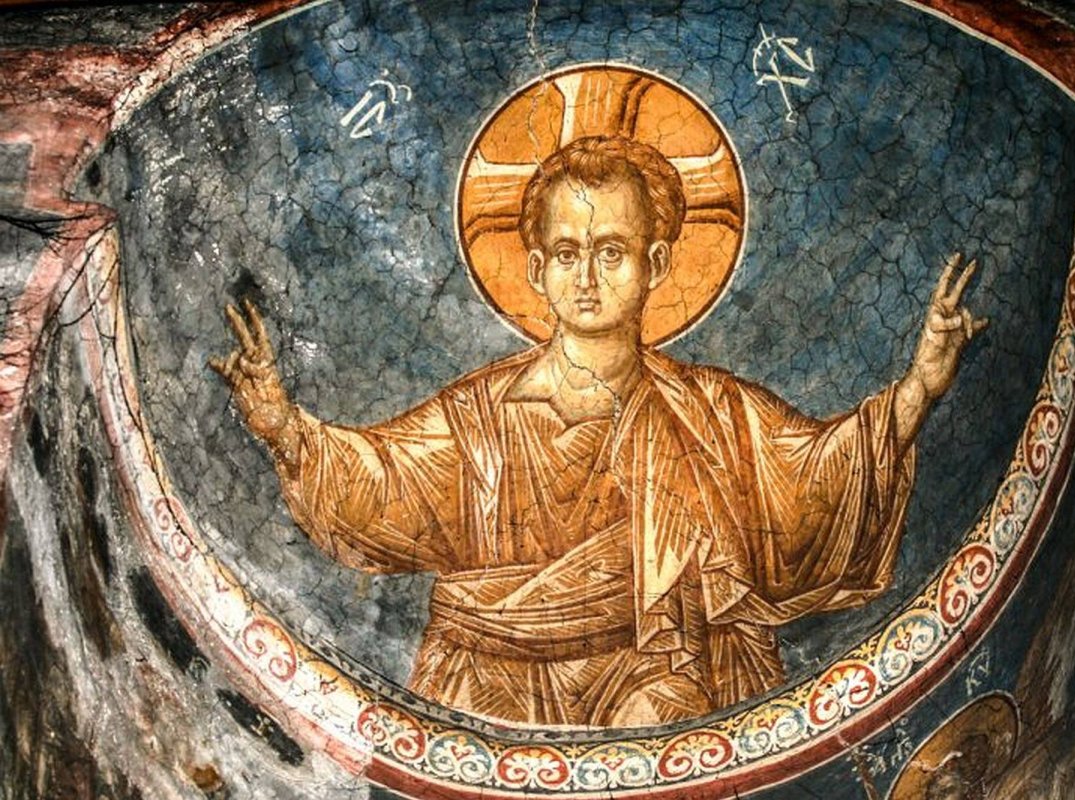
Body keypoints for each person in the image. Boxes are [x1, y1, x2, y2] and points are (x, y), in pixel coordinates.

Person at [210, 135, 986, 727]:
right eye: (568, 253)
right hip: (491, 683)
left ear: (656, 263)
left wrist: (919, 387)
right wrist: (286, 429)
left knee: (674, 708)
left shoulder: (711, 412)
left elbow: (812, 479)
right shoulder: (477, 418)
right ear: (535, 270)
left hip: (656, 679)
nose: (587, 277)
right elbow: (381, 484)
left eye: (611, 251)